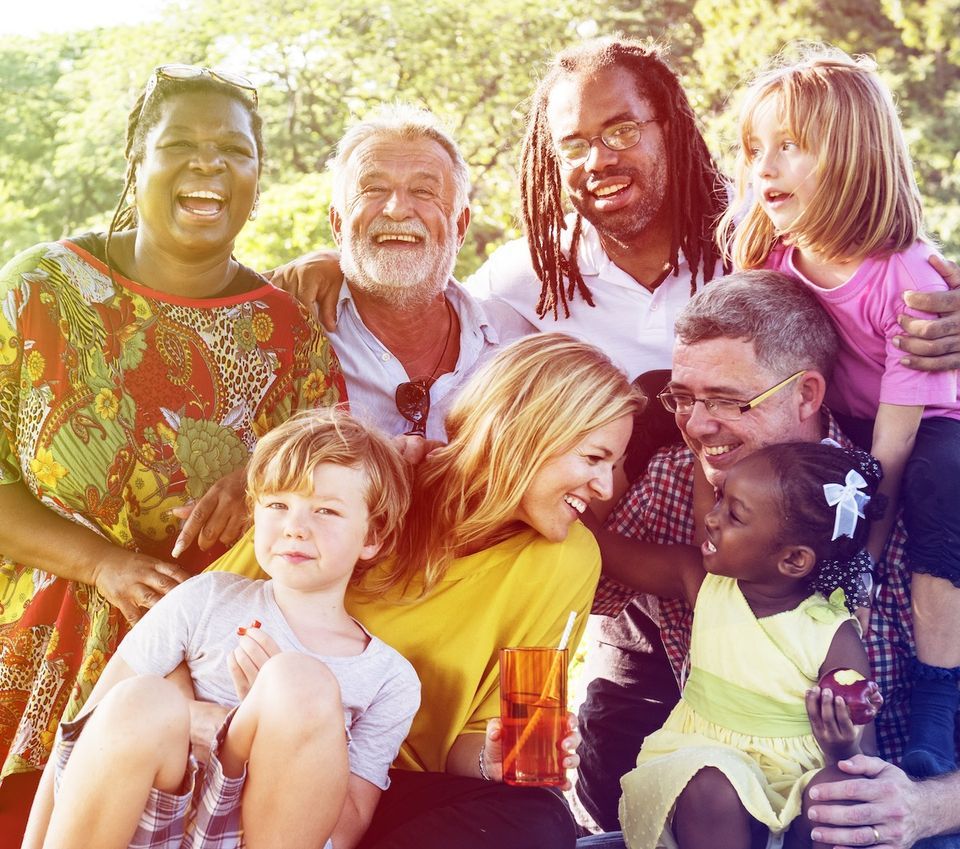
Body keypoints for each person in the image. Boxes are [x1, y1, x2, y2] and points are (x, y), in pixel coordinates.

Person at [0, 64, 344, 838]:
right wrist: (105, 564)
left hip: (210, 674)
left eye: (235, 149)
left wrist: (261, 486)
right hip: (31, 650)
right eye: (180, 143)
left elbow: (337, 489)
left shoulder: (289, 332)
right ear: (137, 159)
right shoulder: (40, 289)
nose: (208, 163)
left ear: (257, 177)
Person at [213, 333, 643, 849]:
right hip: (265, 757)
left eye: (612, 466)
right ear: (531, 434)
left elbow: (473, 743)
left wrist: (494, 757)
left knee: (538, 817)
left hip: (393, 789)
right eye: (595, 458)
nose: (606, 488)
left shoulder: (567, 560)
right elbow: (213, 607)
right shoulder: (379, 484)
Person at [584, 270, 914, 839]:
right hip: (712, 788)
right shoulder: (672, 476)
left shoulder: (892, 501)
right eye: (683, 398)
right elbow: (589, 584)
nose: (696, 422)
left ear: (807, 394)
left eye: (726, 400)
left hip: (883, 804)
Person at [23, 408, 419, 849]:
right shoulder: (207, 598)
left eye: (326, 510)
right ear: (255, 515)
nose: (295, 528)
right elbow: (85, 734)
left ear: (373, 536)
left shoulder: (389, 678)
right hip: (144, 817)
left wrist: (273, 731)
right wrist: (196, 719)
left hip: (261, 831)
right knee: (143, 698)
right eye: (278, 505)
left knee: (298, 683)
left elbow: (343, 833)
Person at [722, 45, 960, 780]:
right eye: (756, 148)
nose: (764, 168)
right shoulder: (768, 260)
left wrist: (862, 547)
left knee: (931, 485)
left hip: (927, 421)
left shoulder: (907, 277)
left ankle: (937, 694)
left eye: (789, 148)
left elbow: (894, 437)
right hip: (846, 417)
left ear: (853, 156)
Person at [616, 441, 883, 849]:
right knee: (711, 782)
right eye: (719, 499)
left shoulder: (831, 632)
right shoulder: (703, 582)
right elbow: (611, 553)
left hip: (796, 779)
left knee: (837, 794)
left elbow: (866, 755)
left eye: (734, 515)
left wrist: (841, 745)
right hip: (704, 756)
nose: (711, 517)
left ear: (793, 560)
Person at [302, 102, 530, 445]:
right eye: (373, 189)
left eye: (424, 191)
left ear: (460, 226)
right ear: (338, 225)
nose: (397, 210)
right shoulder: (291, 337)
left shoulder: (517, 345)